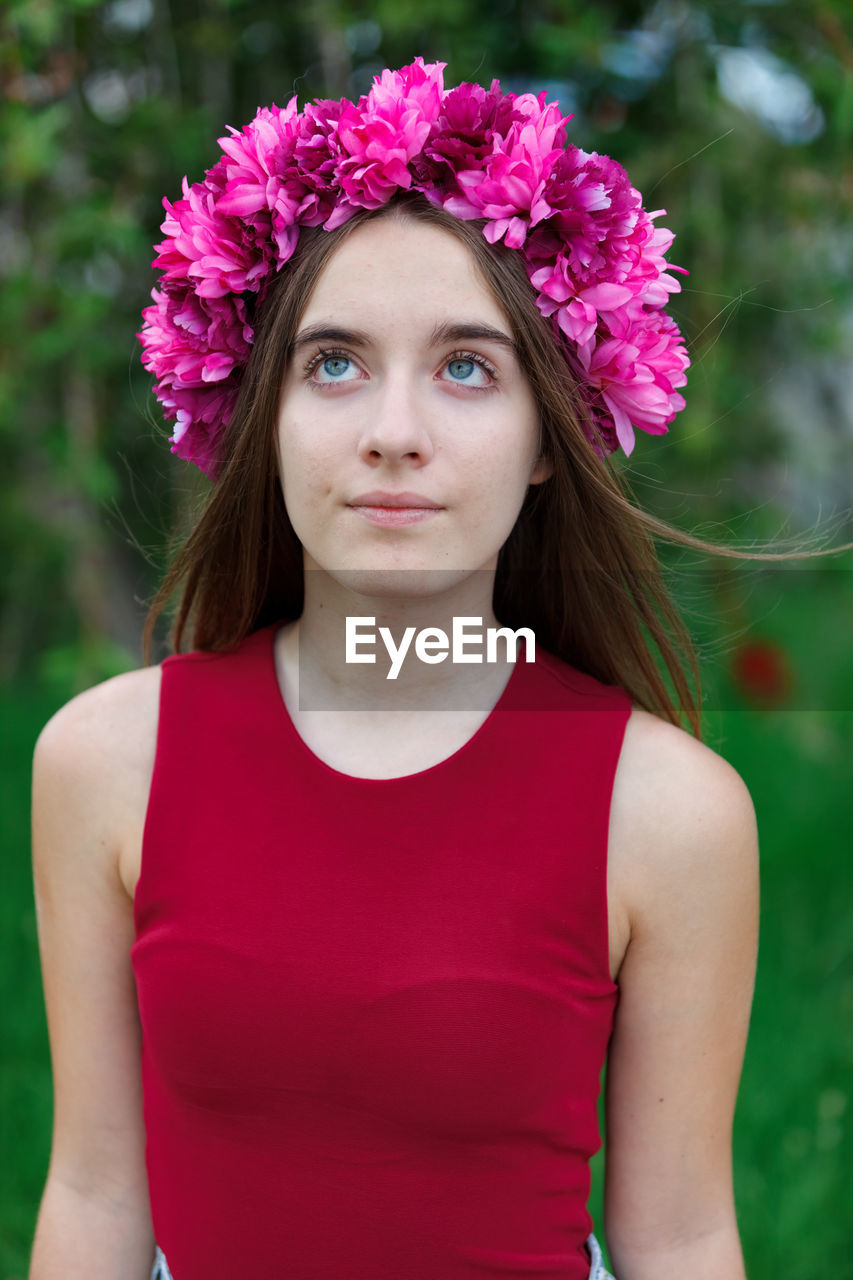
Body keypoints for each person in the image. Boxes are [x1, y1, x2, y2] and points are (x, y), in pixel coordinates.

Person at [27, 59, 848, 1280]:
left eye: (467, 366)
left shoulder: (667, 813)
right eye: (334, 363)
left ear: (547, 439)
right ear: (263, 415)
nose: (391, 429)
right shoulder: (105, 762)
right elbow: (94, 1192)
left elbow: (678, 1234)